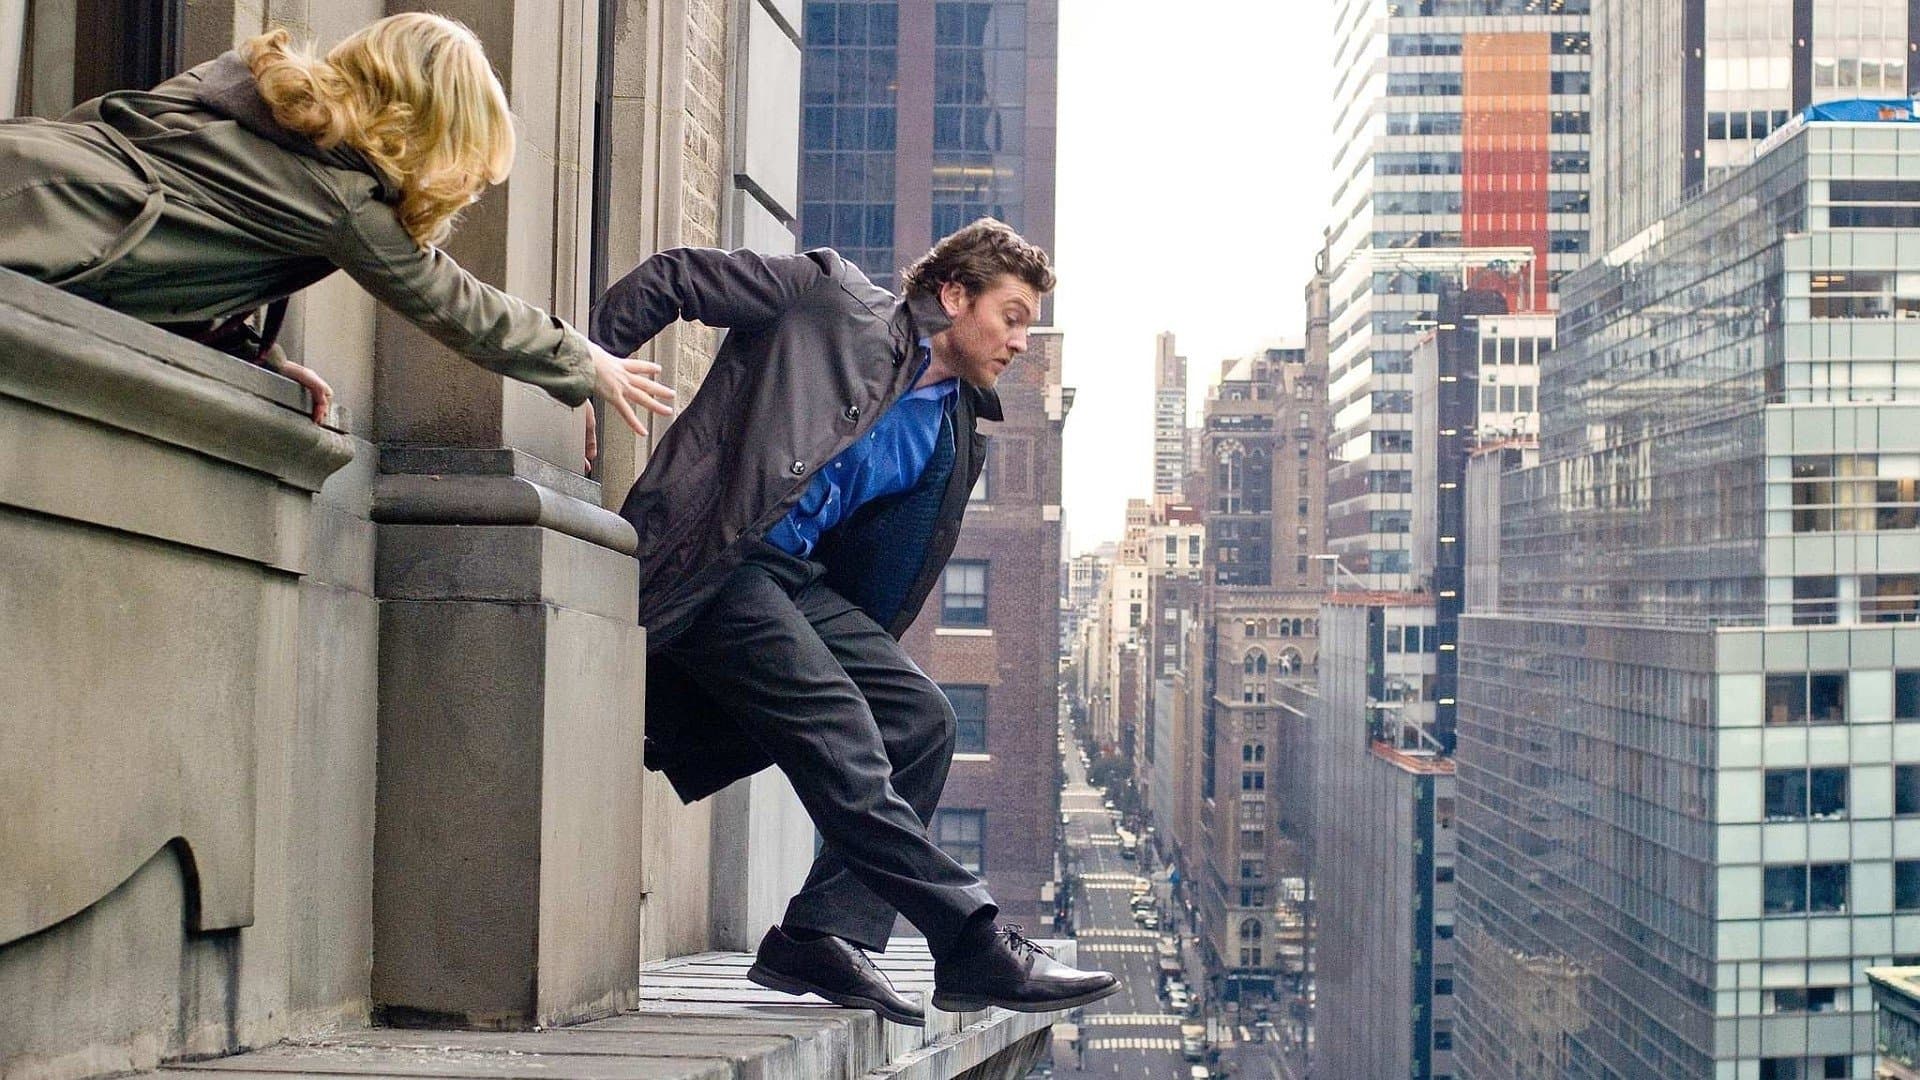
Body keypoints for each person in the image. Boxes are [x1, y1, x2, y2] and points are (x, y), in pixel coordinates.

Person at [590, 219, 1119, 1025]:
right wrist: (585, 374)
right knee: (843, 727)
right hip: (715, 555)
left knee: (922, 722)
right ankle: (972, 941)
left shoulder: (953, 427)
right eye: (1011, 315)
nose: (1020, 338)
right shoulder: (828, 297)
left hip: (789, 580)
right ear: (953, 295)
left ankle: (821, 935)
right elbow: (677, 275)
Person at [0, 14, 669, 437]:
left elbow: (194, 218)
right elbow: (461, 307)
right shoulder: (342, 198)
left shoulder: (250, 92)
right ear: (431, 130)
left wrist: (254, 353)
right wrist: (584, 359)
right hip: (32, 221)